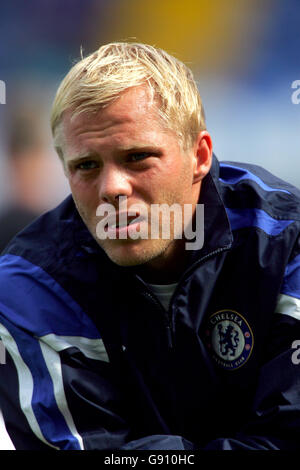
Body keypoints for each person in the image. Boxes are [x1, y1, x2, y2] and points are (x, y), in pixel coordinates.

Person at [0, 42, 299, 451]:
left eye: (138, 157)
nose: (112, 189)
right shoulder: (30, 288)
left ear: (200, 155)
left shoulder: (285, 240)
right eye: (86, 165)